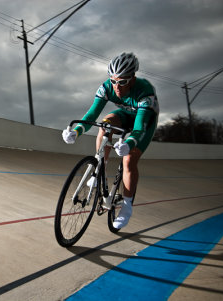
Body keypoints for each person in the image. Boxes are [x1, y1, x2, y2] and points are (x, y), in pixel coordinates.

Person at [62, 52, 159, 229]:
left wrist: (129, 144)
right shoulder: (107, 87)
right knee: (105, 125)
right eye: (113, 81)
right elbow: (92, 115)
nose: (117, 86)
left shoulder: (145, 91)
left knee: (129, 160)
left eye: (122, 82)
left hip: (144, 121)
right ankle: (100, 168)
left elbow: (138, 129)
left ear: (133, 78)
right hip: (124, 116)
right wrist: (76, 132)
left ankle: (127, 207)